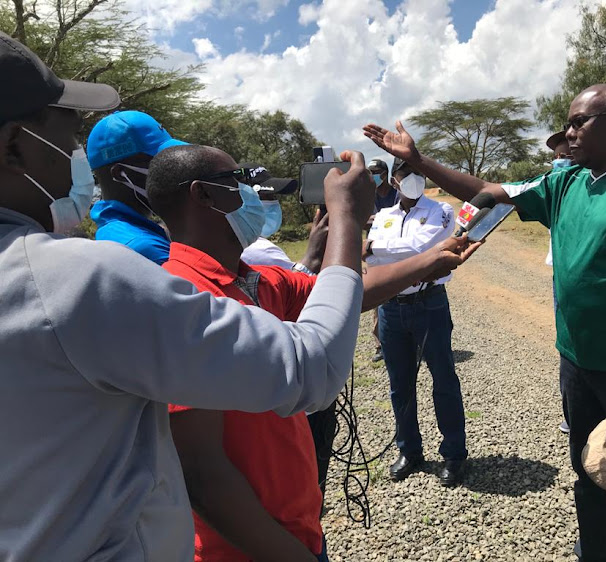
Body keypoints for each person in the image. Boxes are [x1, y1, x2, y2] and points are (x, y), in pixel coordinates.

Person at [0, 31, 372, 561]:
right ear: (14, 145)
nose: (72, 160)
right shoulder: (81, 278)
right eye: (66, 138)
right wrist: (347, 220)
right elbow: (309, 368)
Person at [364, 83, 606, 561]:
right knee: (590, 477)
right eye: (567, 124)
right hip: (578, 365)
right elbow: (490, 193)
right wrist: (421, 162)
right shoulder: (565, 182)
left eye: (578, 122)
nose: (567, 133)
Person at [147, 144, 480, 562]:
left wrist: (432, 260)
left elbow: (344, 293)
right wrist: (346, 217)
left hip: (295, 529)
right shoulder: (181, 298)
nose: (255, 191)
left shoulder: (259, 281)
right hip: (245, 550)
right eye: (241, 179)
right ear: (203, 195)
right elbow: (201, 472)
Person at [364, 157, 468, 487]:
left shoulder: (441, 212)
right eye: (406, 173)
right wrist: (391, 254)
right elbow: (400, 257)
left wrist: (374, 247)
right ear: (393, 180)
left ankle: (454, 453)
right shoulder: (382, 216)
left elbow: (424, 247)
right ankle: (409, 450)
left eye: (418, 172)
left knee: (444, 379)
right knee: (400, 384)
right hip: (391, 308)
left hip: (429, 303)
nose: (414, 178)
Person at [87, 110, 187, 264]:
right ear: (120, 174)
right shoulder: (145, 249)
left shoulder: (127, 230)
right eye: (164, 163)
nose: (174, 170)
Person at [545, 130, 574, 434]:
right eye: (556, 157)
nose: (560, 162)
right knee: (567, 341)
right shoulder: (553, 188)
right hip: (561, 274)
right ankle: (572, 411)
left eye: (565, 157)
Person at [368, 158, 397, 362]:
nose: (373, 176)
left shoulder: (397, 194)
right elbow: (362, 219)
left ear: (385, 173)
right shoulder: (368, 196)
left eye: (376, 172)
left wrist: (376, 220)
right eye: (370, 172)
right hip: (375, 251)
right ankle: (380, 345)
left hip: (396, 250)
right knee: (378, 298)